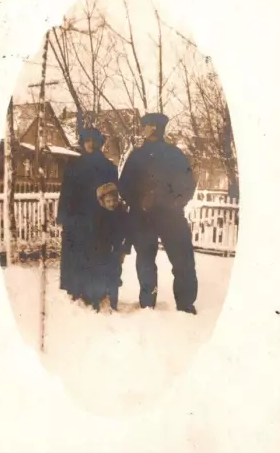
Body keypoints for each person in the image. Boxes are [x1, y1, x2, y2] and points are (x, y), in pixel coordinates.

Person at [118, 113, 198, 314]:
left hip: (171, 217)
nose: (144, 130)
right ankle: (147, 304)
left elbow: (188, 184)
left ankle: (185, 304)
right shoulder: (136, 156)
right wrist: (138, 201)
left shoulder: (175, 155)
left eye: (147, 126)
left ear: (154, 129)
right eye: (144, 126)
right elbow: (124, 186)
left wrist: (175, 202)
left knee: (183, 260)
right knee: (145, 260)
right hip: (142, 217)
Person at [57, 127, 118, 303]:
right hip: (76, 217)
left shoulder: (108, 166)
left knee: (96, 253)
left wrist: (111, 214)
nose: (90, 144)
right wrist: (63, 215)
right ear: (83, 143)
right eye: (87, 140)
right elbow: (66, 191)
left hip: (98, 217)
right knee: (76, 253)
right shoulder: (73, 165)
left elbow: (113, 193)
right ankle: (76, 290)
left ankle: (95, 293)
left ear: (100, 143)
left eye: (94, 141)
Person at [88, 182, 132, 313]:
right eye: (108, 201)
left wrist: (124, 250)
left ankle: (113, 303)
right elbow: (94, 235)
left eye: (114, 200)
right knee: (99, 276)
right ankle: (97, 302)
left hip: (116, 251)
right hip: (101, 251)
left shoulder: (122, 214)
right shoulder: (98, 215)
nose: (112, 203)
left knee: (114, 276)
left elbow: (128, 233)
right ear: (102, 201)